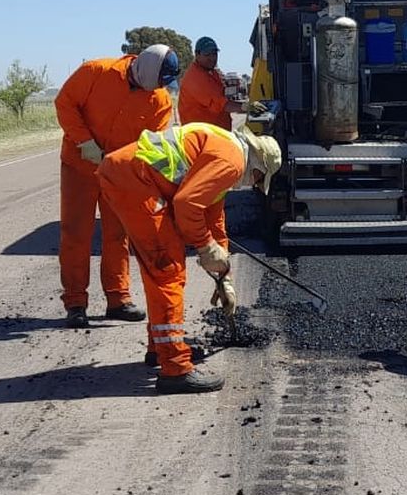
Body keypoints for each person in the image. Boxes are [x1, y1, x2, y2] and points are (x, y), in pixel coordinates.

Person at [97, 123, 282, 394]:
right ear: (257, 167)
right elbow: (186, 205)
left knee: (161, 271)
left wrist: (225, 279)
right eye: (258, 180)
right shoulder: (231, 163)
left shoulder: (226, 155)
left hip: (130, 176)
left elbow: (214, 221)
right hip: (135, 180)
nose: (254, 185)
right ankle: (174, 369)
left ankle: (160, 349)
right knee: (167, 270)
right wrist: (205, 247)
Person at [54, 45, 178, 329]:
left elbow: (151, 145)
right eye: (159, 81)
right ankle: (75, 303)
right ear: (145, 70)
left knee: (118, 235)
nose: (160, 88)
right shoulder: (96, 72)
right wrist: (84, 142)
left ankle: (118, 299)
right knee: (76, 233)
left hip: (119, 175)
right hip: (79, 166)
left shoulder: (160, 101)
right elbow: (65, 103)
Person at [177, 36, 266, 129]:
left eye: (214, 54)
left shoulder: (211, 72)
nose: (212, 58)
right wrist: (246, 107)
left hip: (213, 133)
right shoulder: (196, 78)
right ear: (197, 54)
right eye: (207, 55)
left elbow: (222, 95)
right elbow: (223, 105)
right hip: (202, 136)